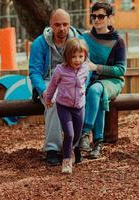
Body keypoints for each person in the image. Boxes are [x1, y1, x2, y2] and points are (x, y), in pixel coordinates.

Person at [29, 9, 81, 166]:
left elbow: (85, 66)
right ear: (50, 25)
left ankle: (74, 146)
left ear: (69, 24)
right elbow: (34, 72)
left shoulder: (78, 40)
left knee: (77, 103)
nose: (62, 28)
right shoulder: (40, 43)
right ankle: (52, 149)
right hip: (47, 81)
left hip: (71, 81)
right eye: (57, 25)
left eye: (65, 24)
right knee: (54, 100)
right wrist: (43, 91)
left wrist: (81, 85)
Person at [79, 2, 127, 159]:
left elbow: (121, 70)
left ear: (110, 17)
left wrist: (96, 67)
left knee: (95, 90)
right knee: (95, 93)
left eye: (101, 16)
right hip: (90, 80)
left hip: (112, 81)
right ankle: (98, 142)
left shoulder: (118, 41)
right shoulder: (85, 38)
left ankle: (85, 133)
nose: (96, 19)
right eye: (93, 16)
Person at [45, 38, 89, 173]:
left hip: (79, 107)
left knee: (77, 134)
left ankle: (70, 149)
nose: (77, 60)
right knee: (69, 134)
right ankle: (66, 161)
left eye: (80, 56)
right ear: (66, 56)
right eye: (73, 57)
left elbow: (84, 82)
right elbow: (52, 85)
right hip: (64, 106)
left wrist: (82, 94)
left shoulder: (85, 69)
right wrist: (48, 97)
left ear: (85, 56)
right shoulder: (60, 70)